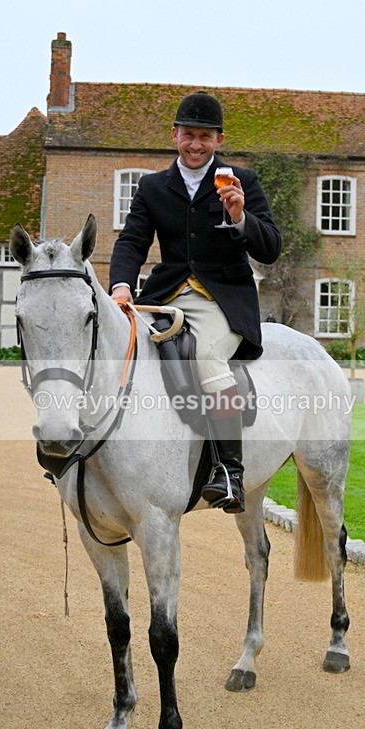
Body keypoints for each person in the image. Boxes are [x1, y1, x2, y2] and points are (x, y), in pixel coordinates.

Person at [109, 91, 281, 513]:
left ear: (219, 139)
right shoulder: (152, 186)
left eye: (205, 136)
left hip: (223, 297)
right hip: (166, 295)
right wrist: (120, 286)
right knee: (121, 351)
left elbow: (271, 247)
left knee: (205, 357)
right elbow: (133, 240)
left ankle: (229, 470)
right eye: (189, 135)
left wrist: (241, 217)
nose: (196, 144)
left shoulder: (242, 181)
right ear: (175, 135)